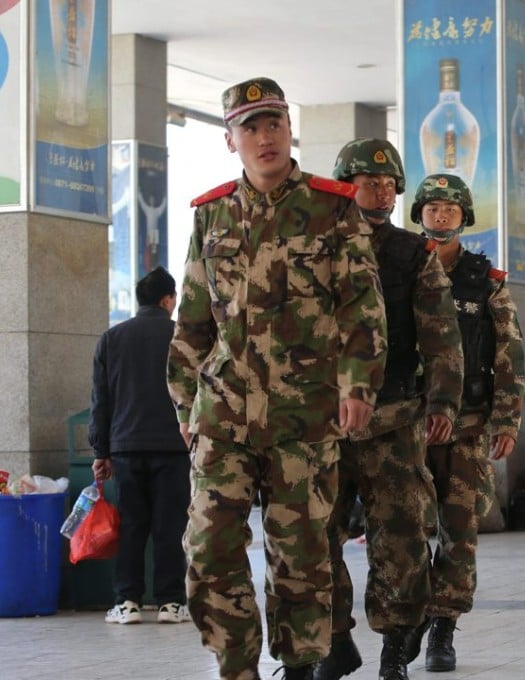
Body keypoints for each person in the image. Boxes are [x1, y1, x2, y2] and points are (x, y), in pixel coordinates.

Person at [167, 78, 388, 680]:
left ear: (290, 130)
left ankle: (300, 665)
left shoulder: (332, 207)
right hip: (224, 413)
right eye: (251, 127)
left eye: (274, 124)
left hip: (305, 413)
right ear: (230, 140)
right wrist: (187, 407)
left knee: (301, 555)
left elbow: (362, 307)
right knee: (208, 547)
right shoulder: (211, 213)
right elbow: (192, 321)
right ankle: (236, 664)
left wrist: (358, 386)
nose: (265, 137)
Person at [315, 140, 463, 680]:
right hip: (324, 422)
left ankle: (395, 649)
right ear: (343, 184)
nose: (380, 192)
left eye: (388, 184)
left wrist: (443, 401)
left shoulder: (412, 253)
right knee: (313, 535)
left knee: (400, 539)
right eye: (368, 182)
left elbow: (442, 334)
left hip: (394, 419)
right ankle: (333, 640)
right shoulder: (314, 246)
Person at [402, 173, 525, 672]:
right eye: (432, 208)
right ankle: (410, 617)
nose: (441, 215)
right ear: (419, 214)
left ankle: (443, 626)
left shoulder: (486, 281)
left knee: (459, 530)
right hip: (407, 422)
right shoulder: (399, 270)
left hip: (468, 425)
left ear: (464, 216)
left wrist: (506, 420)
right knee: (404, 529)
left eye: (450, 208)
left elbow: (509, 353)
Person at [89, 266, 191, 625]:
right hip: (174, 447)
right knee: (170, 526)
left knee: (131, 526)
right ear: (168, 300)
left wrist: (101, 451)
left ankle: (127, 602)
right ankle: (171, 603)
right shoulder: (182, 337)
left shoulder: (111, 338)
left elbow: (101, 400)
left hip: (126, 447)